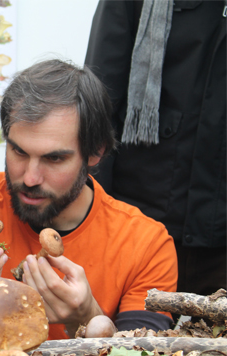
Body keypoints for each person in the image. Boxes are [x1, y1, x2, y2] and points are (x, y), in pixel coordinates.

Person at [0, 59, 178, 339]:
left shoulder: (147, 245)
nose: (29, 178)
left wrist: (87, 317)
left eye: (53, 158)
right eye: (18, 151)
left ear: (95, 153)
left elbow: (144, 349)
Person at [83, 0, 226, 305]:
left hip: (221, 240)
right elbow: (99, 109)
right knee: (128, 345)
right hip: (142, 221)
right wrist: (94, 220)